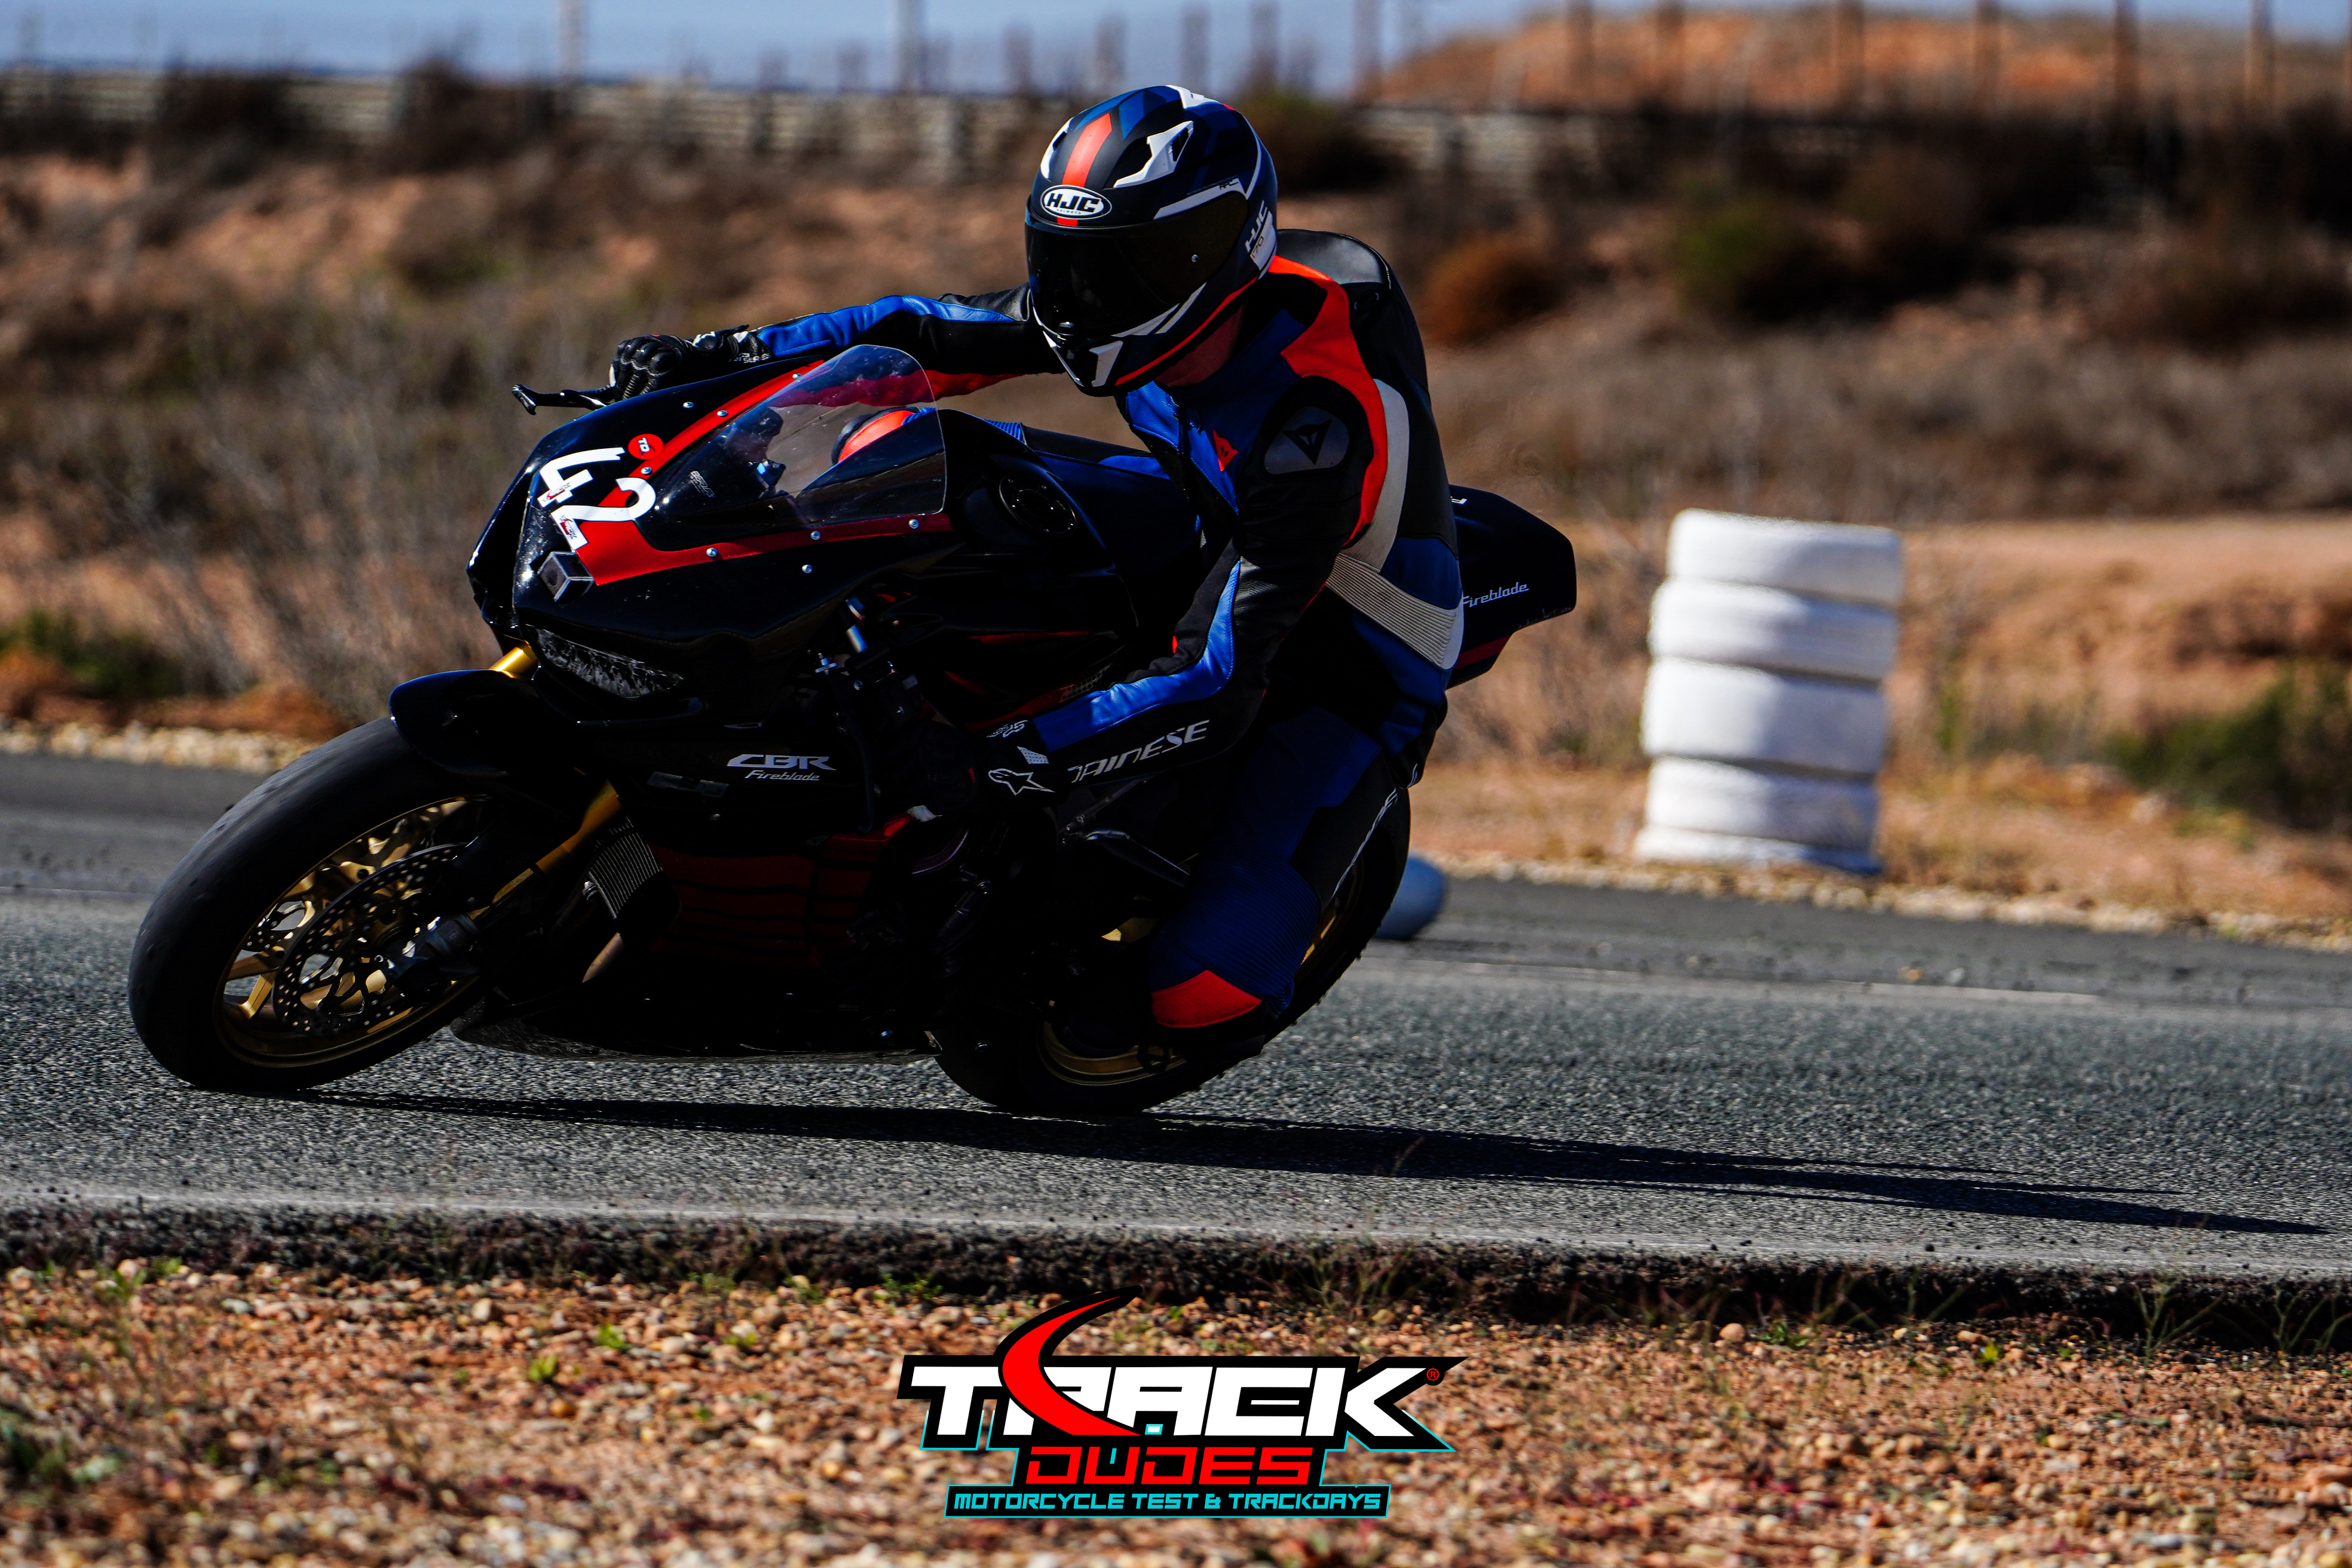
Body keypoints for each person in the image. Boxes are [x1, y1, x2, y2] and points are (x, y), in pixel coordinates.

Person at [606, 85, 1462, 1055]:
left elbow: (1215, 682)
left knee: (1201, 995)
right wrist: (725, 360)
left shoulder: (1309, 433)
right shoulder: (1137, 298)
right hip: (1207, 518)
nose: (1081, 298)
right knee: (922, 467)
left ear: (1217, 258)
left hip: (1349, 644)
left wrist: (997, 760)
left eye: (1120, 268)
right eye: (1064, 261)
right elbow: (920, 332)